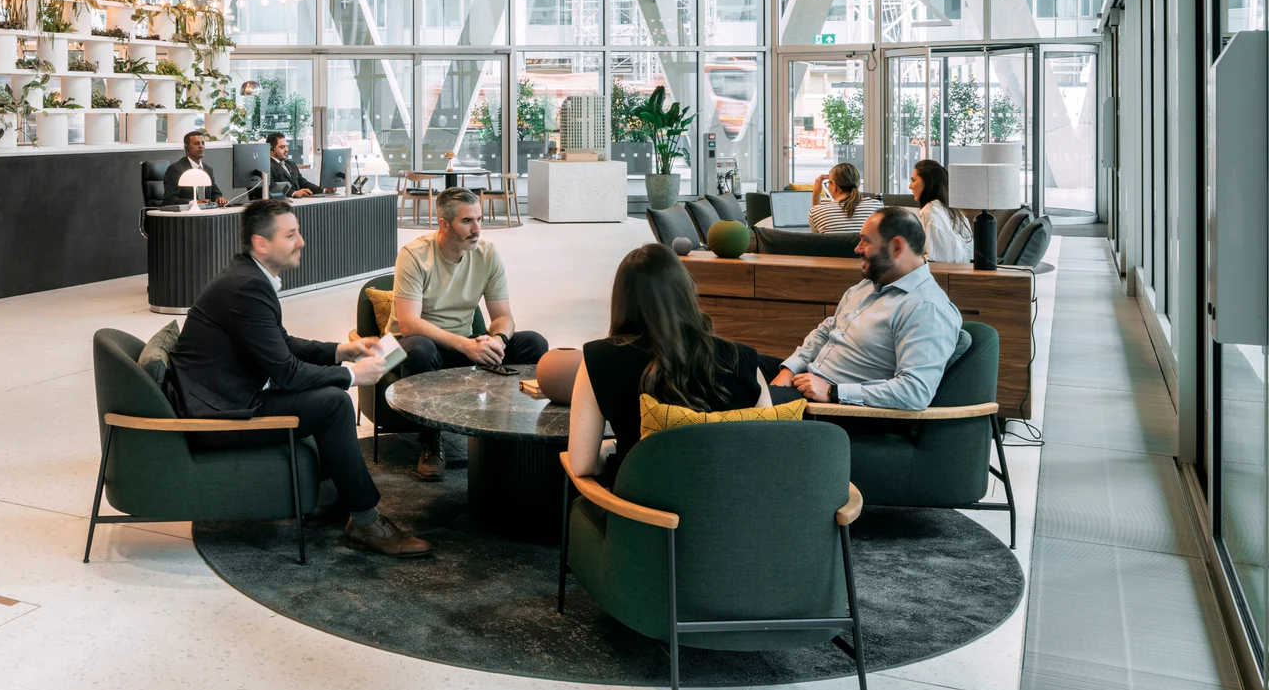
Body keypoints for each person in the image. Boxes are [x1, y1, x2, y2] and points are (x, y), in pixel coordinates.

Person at [169, 200, 432, 557]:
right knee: (334, 402)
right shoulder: (246, 287)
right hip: (220, 415)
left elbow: (283, 343)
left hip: (228, 396)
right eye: (291, 234)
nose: (301, 241)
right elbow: (286, 371)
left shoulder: (246, 277)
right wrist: (352, 375)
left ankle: (338, 501)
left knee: (329, 394)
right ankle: (366, 524)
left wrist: (341, 351)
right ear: (261, 243)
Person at [568, 244, 773, 483]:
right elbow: (766, 450)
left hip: (642, 514)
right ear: (685, 292)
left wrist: (611, 450)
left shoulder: (599, 359)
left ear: (622, 300)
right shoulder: (743, 359)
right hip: (734, 513)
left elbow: (583, 464)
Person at [391, 186, 550, 480]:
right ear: (443, 224)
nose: (478, 228)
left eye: (478, 218)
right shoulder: (414, 255)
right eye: (467, 221)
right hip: (420, 344)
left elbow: (503, 316)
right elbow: (408, 323)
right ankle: (430, 442)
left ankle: (515, 428)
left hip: (464, 344)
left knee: (532, 343)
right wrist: (466, 345)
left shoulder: (487, 255)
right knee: (420, 349)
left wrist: (498, 339)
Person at [770, 207, 962, 410]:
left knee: (742, 401)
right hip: (806, 380)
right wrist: (790, 369)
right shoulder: (868, 285)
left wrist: (832, 391)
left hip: (834, 409)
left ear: (896, 247)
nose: (857, 248)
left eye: (866, 241)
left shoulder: (926, 308)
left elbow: (915, 391)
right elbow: (826, 331)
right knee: (736, 359)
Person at [911, 158, 973, 263]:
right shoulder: (952, 211)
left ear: (927, 183)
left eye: (913, 180)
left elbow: (936, 260)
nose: (910, 186)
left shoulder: (931, 212)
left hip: (946, 275)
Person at [809, 161, 882, 233]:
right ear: (858, 184)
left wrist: (816, 194)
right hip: (865, 245)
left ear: (833, 185)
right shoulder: (877, 207)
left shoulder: (816, 212)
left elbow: (817, 239)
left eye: (828, 183)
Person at [161, 131, 226, 207]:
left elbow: (215, 192)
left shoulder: (207, 169)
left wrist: (219, 198)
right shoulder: (175, 169)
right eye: (197, 143)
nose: (201, 146)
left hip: (206, 213)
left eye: (203, 143)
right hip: (186, 214)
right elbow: (170, 199)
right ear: (186, 147)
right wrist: (194, 203)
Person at [266, 132, 320, 198]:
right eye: (282, 147)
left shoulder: (291, 164)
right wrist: (294, 193)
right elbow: (270, 186)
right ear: (271, 149)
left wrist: (324, 190)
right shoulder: (266, 165)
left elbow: (303, 182)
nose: (287, 149)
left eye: (286, 146)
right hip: (282, 203)